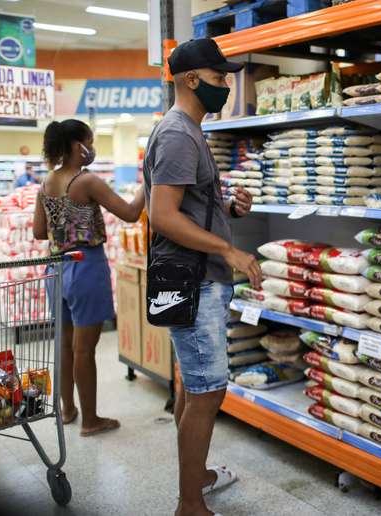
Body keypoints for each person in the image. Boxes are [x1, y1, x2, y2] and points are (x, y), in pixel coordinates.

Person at [143, 38, 262, 516]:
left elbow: (186, 206)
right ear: (191, 80)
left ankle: (199, 477)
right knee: (207, 392)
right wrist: (227, 249)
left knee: (196, 388)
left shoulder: (187, 131)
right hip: (194, 280)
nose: (227, 86)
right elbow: (163, 215)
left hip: (195, 277)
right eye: (218, 79)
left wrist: (227, 208)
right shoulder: (178, 134)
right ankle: (190, 502)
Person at [33, 119, 145, 436]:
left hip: (55, 269)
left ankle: (68, 409)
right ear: (76, 146)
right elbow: (130, 212)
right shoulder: (87, 182)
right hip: (86, 267)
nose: (92, 148)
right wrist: (149, 184)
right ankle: (91, 421)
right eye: (90, 141)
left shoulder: (46, 183)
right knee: (85, 349)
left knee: (66, 345)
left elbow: (39, 231)